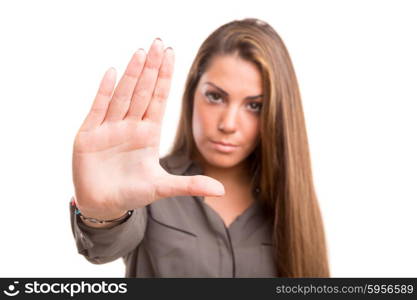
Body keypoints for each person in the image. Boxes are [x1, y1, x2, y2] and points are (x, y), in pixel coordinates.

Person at [69, 18, 330, 278]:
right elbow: (105, 245)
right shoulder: (144, 184)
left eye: (254, 106)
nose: (228, 124)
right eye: (215, 97)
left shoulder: (289, 202)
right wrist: (102, 215)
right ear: (192, 93)